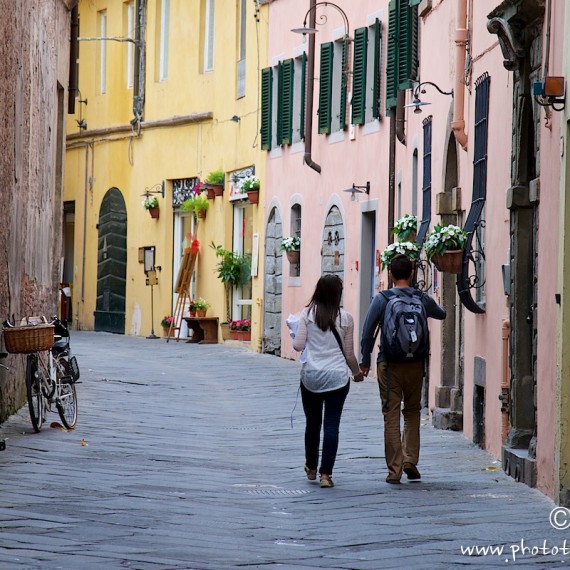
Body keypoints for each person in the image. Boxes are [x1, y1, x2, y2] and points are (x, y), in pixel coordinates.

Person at [360, 254, 446, 484]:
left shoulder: (382, 299)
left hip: (389, 364)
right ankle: (410, 461)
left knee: (391, 416)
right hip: (416, 365)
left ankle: (394, 470)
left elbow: (367, 331)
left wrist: (365, 360)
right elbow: (442, 313)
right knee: (412, 412)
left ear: (390, 274)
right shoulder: (421, 298)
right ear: (410, 273)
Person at [291, 274, 363, 488]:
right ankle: (326, 475)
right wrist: (356, 373)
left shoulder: (306, 315)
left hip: (312, 376)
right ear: (337, 294)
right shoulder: (346, 318)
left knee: (312, 424)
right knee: (332, 425)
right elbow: (349, 354)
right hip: (338, 378)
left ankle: (311, 467)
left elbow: (297, 345)